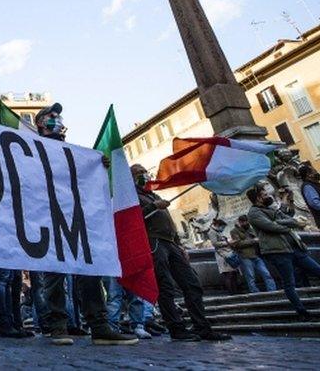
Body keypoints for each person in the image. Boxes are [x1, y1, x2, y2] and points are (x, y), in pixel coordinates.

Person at [32, 104, 137, 347]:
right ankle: (58, 326)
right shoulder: (34, 150)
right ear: (40, 123)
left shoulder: (75, 152)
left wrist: (99, 167)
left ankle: (99, 326)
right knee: (54, 274)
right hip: (49, 217)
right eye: (51, 116)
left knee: (90, 270)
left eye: (58, 116)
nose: (56, 119)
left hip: (78, 218)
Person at [132, 163, 231, 342]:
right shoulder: (133, 197)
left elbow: (169, 223)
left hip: (171, 243)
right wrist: (154, 206)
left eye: (145, 171)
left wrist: (179, 245)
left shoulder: (152, 194)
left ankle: (202, 327)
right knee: (165, 287)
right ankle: (176, 329)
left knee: (192, 283)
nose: (145, 175)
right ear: (131, 178)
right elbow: (134, 219)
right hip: (154, 242)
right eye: (140, 172)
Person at [246, 186, 320, 320]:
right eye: (265, 194)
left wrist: (287, 201)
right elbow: (272, 227)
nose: (268, 196)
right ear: (258, 198)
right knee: (289, 283)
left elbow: (288, 215)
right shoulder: (253, 213)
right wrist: (291, 224)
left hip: (294, 248)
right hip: (278, 251)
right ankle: (302, 312)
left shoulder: (270, 208)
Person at [229, 215, 276, 293]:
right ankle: (254, 292)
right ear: (240, 222)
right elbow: (237, 244)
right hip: (245, 256)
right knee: (250, 276)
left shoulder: (251, 229)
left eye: (247, 221)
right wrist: (253, 241)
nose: (246, 223)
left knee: (266, 273)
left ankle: (272, 290)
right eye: (244, 222)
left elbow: (258, 238)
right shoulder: (234, 231)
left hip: (256, 255)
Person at [207, 218, 239, 294]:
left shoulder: (217, 231)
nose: (223, 228)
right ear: (218, 225)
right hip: (222, 255)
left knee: (233, 273)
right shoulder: (212, 232)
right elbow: (215, 243)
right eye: (223, 226)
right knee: (228, 274)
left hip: (227, 253)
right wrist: (227, 243)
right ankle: (231, 292)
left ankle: (235, 290)